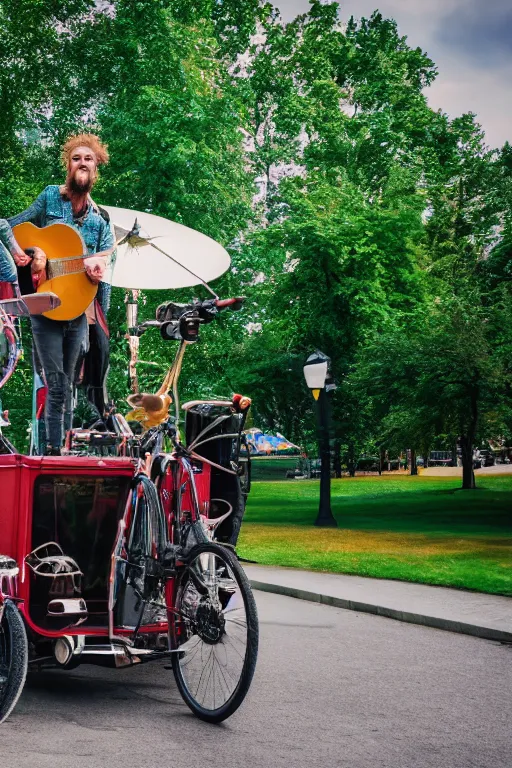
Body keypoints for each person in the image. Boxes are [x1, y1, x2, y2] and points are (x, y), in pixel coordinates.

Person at [2, 133, 114, 454]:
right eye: (76, 158)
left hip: (77, 315)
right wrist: (30, 251)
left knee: (67, 389)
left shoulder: (101, 222)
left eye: (88, 159)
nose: (82, 163)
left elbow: (103, 279)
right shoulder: (51, 198)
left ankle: (60, 452)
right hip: (44, 309)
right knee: (57, 387)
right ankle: (53, 453)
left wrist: (96, 331)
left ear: (96, 170)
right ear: (69, 165)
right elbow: (8, 227)